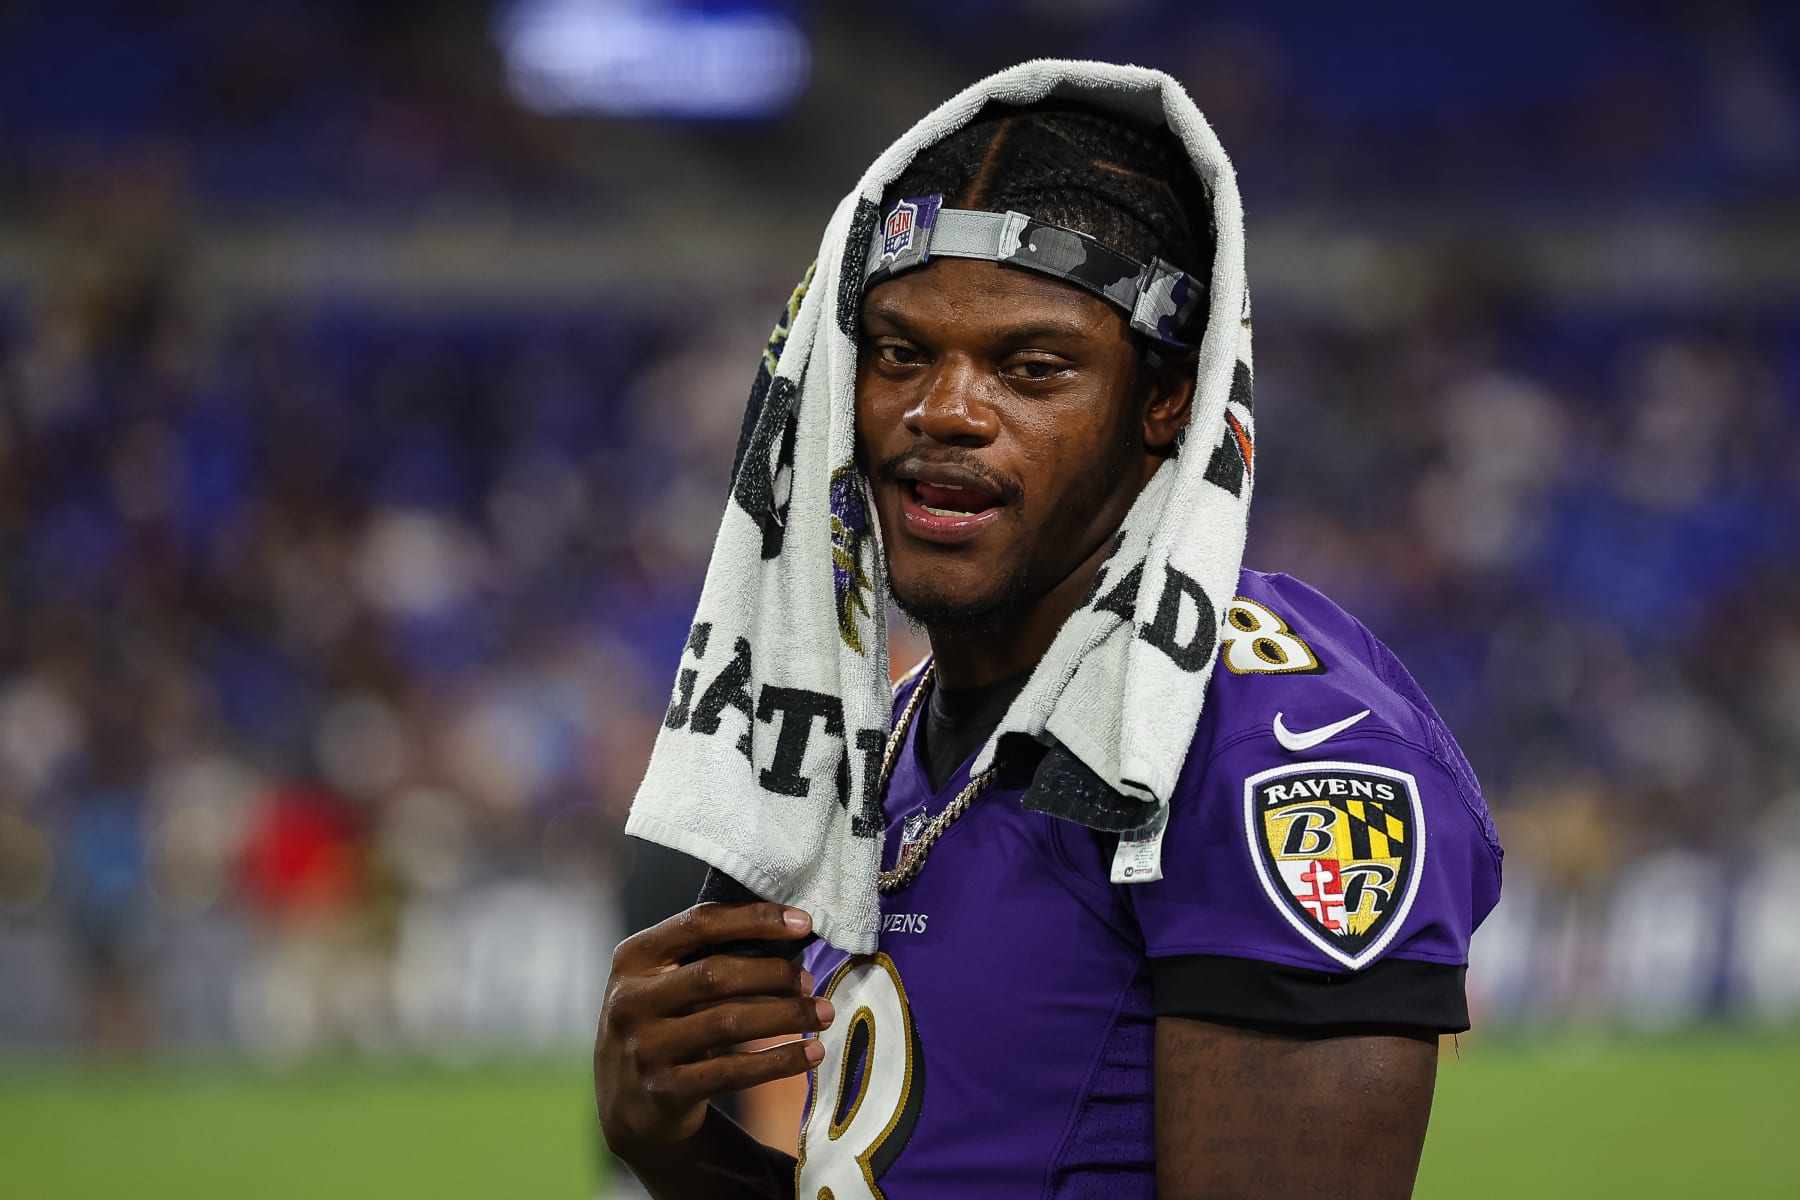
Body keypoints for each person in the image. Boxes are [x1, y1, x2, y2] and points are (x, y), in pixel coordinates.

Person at [596, 67, 1501, 1199]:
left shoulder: (1266, 738)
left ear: (1166, 399)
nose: (946, 410)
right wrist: (674, 1148)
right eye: (899, 353)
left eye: (1033, 367)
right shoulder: (905, 721)